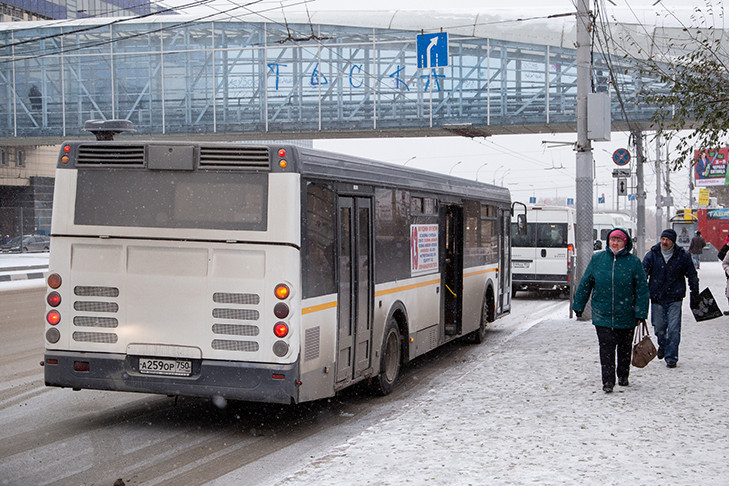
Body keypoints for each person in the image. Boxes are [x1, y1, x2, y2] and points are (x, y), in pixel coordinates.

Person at [573, 228, 649, 393]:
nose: (615, 243)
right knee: (606, 348)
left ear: (625, 243)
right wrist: (578, 305)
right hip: (603, 314)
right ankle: (607, 381)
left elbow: (642, 289)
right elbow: (586, 283)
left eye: (619, 240)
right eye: (612, 239)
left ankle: (623, 374)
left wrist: (641, 313)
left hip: (626, 314)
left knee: (624, 348)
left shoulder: (633, 262)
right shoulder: (598, 259)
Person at [642, 228, 699, 368]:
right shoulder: (652, 255)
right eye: (663, 239)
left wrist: (695, 292)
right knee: (659, 327)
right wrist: (640, 291)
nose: (664, 242)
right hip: (657, 297)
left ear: (673, 242)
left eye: (667, 240)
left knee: (673, 328)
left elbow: (691, 275)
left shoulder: (682, 256)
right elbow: (643, 274)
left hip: (675, 297)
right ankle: (662, 345)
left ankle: (671, 356)